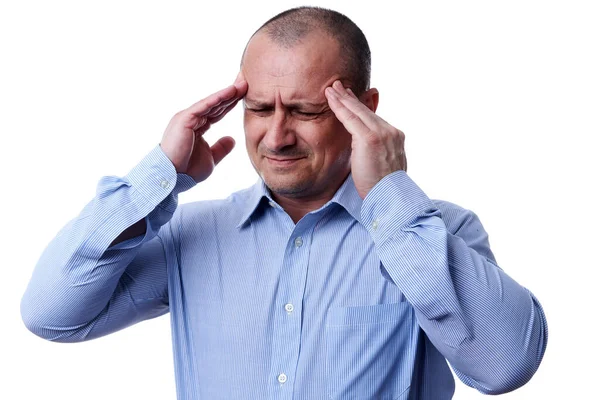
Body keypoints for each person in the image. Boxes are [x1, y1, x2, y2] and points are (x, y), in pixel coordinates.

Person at [21, 6, 548, 400]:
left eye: (305, 111)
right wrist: (160, 175)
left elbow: (505, 365)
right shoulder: (193, 235)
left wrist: (391, 196)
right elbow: (51, 315)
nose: (276, 137)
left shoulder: (436, 232)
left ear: (365, 110)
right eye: (257, 109)